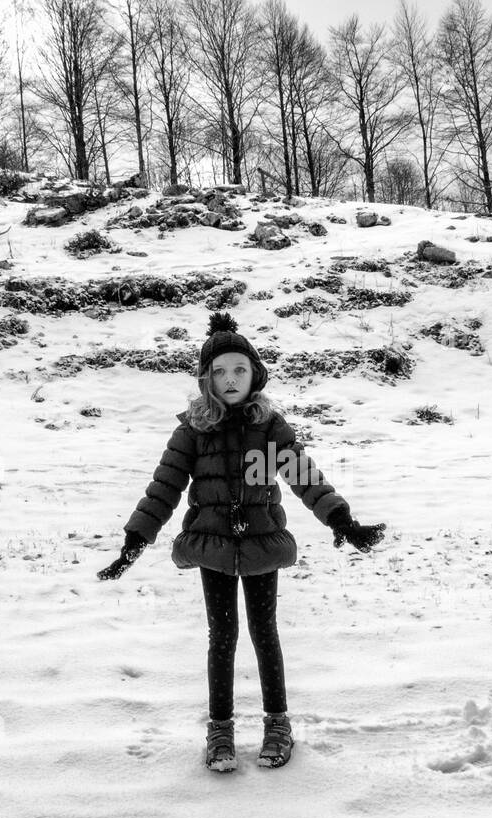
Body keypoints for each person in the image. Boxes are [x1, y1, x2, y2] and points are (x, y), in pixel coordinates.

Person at [97, 311, 387, 772]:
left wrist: (342, 520)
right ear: (206, 380)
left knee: (264, 634)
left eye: (239, 369)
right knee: (223, 637)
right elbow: (164, 488)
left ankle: (278, 724)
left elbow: (304, 476)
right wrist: (136, 539)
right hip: (212, 544)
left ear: (255, 375)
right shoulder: (193, 430)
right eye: (219, 371)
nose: (229, 379)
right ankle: (220, 730)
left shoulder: (268, 428)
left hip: (260, 544)